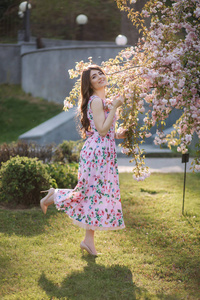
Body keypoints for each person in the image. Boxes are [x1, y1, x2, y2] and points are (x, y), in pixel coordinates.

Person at [40, 65, 126, 256]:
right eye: (94, 77)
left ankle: (88, 242)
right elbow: (102, 131)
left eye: (100, 73)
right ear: (90, 83)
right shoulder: (96, 101)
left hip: (104, 153)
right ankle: (54, 196)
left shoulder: (103, 101)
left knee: (95, 196)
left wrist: (120, 134)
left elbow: (105, 131)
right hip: (96, 155)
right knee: (87, 193)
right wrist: (115, 107)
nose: (100, 77)